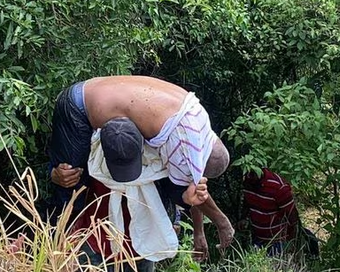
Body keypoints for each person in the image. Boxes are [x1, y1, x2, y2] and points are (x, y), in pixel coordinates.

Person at [45, 76, 235, 258]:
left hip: (96, 92)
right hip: (77, 108)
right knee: (69, 181)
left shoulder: (198, 122)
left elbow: (191, 187)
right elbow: (186, 189)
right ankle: (57, 254)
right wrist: (222, 222)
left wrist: (198, 228)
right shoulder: (183, 144)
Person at [242, 169, 319, 256]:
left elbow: (292, 217)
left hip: (278, 241)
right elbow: (246, 206)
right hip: (256, 238)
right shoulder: (245, 182)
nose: (248, 176)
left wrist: (293, 243)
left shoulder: (278, 187)